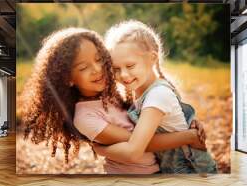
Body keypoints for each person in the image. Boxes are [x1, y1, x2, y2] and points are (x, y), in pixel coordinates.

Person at [22, 27, 205, 174]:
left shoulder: (114, 94)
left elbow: (154, 117)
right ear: (68, 78)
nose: (97, 69)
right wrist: (188, 136)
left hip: (158, 170)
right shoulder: (85, 117)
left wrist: (186, 123)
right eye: (84, 67)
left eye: (99, 59)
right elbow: (142, 142)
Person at [99, 20, 217, 173]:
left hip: (191, 171)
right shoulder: (140, 91)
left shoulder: (157, 95)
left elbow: (137, 147)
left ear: (152, 58)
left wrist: (101, 148)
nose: (123, 75)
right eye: (116, 69)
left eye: (130, 66)